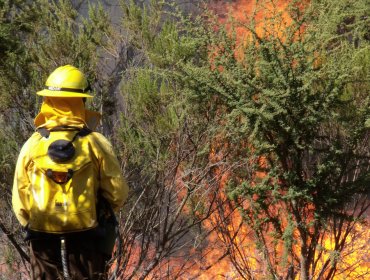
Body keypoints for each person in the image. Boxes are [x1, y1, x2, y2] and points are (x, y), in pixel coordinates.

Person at [12, 65, 129, 280]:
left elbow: (20, 202)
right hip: (86, 240)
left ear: (47, 101)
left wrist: (36, 224)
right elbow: (117, 193)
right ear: (81, 101)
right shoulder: (95, 143)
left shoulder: (32, 144)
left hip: (43, 241)